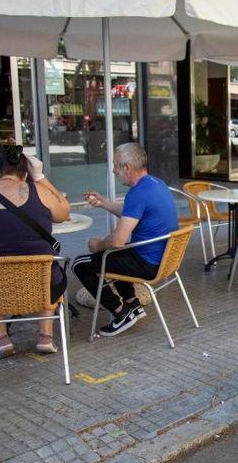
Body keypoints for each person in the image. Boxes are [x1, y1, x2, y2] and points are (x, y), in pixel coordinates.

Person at [0, 145, 71, 359]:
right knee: (46, 269)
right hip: (44, 287)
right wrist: (41, 177)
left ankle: (2, 340)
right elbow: (64, 211)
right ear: (26, 173)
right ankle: (45, 337)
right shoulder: (41, 192)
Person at [72, 143, 177, 337]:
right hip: (164, 259)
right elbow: (132, 213)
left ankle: (120, 314)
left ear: (127, 167)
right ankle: (132, 304)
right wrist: (104, 202)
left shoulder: (137, 194)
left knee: (80, 264)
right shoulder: (156, 183)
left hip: (148, 263)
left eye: (115, 165)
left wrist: (98, 245)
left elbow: (117, 241)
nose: (113, 170)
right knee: (114, 255)